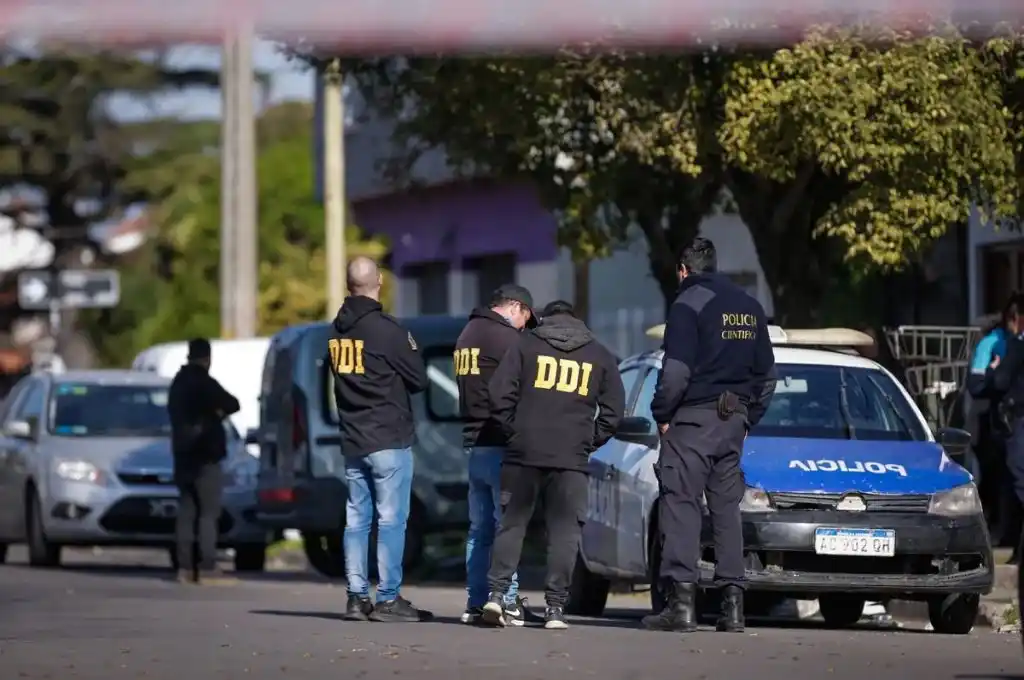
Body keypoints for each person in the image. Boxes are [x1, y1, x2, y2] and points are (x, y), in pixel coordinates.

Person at [641, 237, 776, 634]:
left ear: (684, 270)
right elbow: (767, 378)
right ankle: (732, 607)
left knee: (680, 503)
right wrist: (747, 419)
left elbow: (677, 372)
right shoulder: (751, 307)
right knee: (726, 509)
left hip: (694, 419)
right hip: (733, 421)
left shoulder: (687, 303)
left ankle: (681, 606)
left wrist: (662, 414)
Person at [482, 300, 625, 629]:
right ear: (577, 319)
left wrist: (513, 431)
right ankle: (555, 609)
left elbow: (498, 394)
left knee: (512, 525)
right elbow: (614, 411)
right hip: (570, 458)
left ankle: (496, 596)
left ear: (545, 318)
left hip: (524, 453)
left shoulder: (525, 345)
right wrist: (589, 441)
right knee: (564, 533)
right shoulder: (599, 354)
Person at [328, 256, 430, 623]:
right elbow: (418, 380)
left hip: (354, 438)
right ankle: (387, 598)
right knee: (391, 521)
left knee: (356, 520)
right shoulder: (388, 330)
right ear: (379, 281)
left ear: (347, 284)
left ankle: (356, 597)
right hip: (388, 437)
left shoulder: (335, 330)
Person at [454, 283, 542, 626]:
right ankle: (506, 600)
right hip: (499, 443)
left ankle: (476, 601)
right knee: (507, 524)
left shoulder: (467, 333)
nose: (524, 328)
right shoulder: (504, 338)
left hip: (474, 444)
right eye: (526, 320)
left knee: (479, 530)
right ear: (516, 308)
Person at [167, 338, 240, 584]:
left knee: (186, 511)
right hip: (206, 457)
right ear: (207, 358)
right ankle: (207, 565)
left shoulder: (177, 384)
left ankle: (184, 567)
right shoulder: (206, 383)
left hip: (182, 455)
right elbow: (233, 404)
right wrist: (216, 414)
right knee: (208, 512)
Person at [969, 296, 1024, 561]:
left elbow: (998, 380)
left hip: (1009, 422)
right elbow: (976, 384)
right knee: (1000, 480)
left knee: (1011, 481)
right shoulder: (992, 342)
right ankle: (1002, 532)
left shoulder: (1014, 344)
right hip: (994, 422)